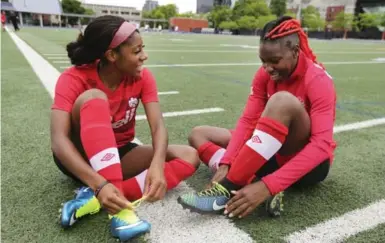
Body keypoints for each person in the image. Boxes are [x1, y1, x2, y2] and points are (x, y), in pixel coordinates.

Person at [50, 15, 200, 241]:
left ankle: (96, 197)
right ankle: (120, 213)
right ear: (111, 55)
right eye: (136, 51)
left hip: (120, 152)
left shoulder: (142, 77)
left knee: (189, 156)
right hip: (79, 158)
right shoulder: (73, 78)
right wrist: (99, 183)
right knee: (94, 97)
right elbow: (59, 141)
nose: (144, 56)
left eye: (143, 49)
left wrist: (157, 164)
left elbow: (158, 125)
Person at [177, 16, 337, 219]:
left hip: (308, 165)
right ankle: (247, 176)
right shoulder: (265, 75)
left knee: (282, 102)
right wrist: (227, 162)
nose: (268, 68)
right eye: (263, 61)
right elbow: (248, 121)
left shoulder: (318, 80)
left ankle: (225, 190)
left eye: (274, 61)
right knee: (199, 134)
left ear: (295, 52)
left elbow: (321, 146)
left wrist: (267, 186)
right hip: (271, 151)